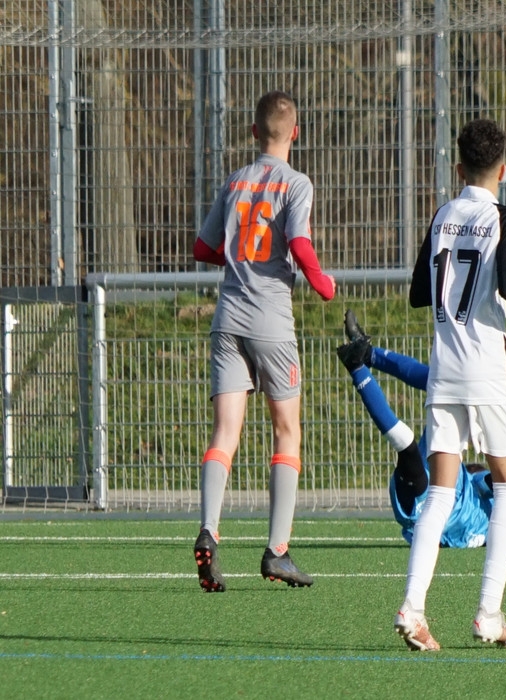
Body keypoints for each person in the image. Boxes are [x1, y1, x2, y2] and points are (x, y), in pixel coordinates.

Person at [396, 118, 506, 651]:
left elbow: (418, 294)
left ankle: (413, 608)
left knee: (440, 493)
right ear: (504, 169)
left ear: (458, 168)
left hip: (444, 372)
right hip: (488, 372)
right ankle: (488, 614)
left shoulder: (442, 215)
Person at [191, 90, 336, 592]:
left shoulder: (235, 180)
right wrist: (322, 283)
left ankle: (209, 529)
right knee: (286, 431)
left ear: (254, 132)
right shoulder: (296, 183)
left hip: (228, 318)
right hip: (271, 320)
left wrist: (239, 259)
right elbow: (299, 242)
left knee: (224, 432)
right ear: (295, 132)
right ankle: (277, 551)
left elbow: (202, 247)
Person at [335, 310, 506, 549]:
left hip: (421, 505)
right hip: (436, 476)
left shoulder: (495, 527)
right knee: (438, 382)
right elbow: (491, 479)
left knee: (406, 446)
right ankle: (367, 353)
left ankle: (357, 367)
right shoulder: (486, 494)